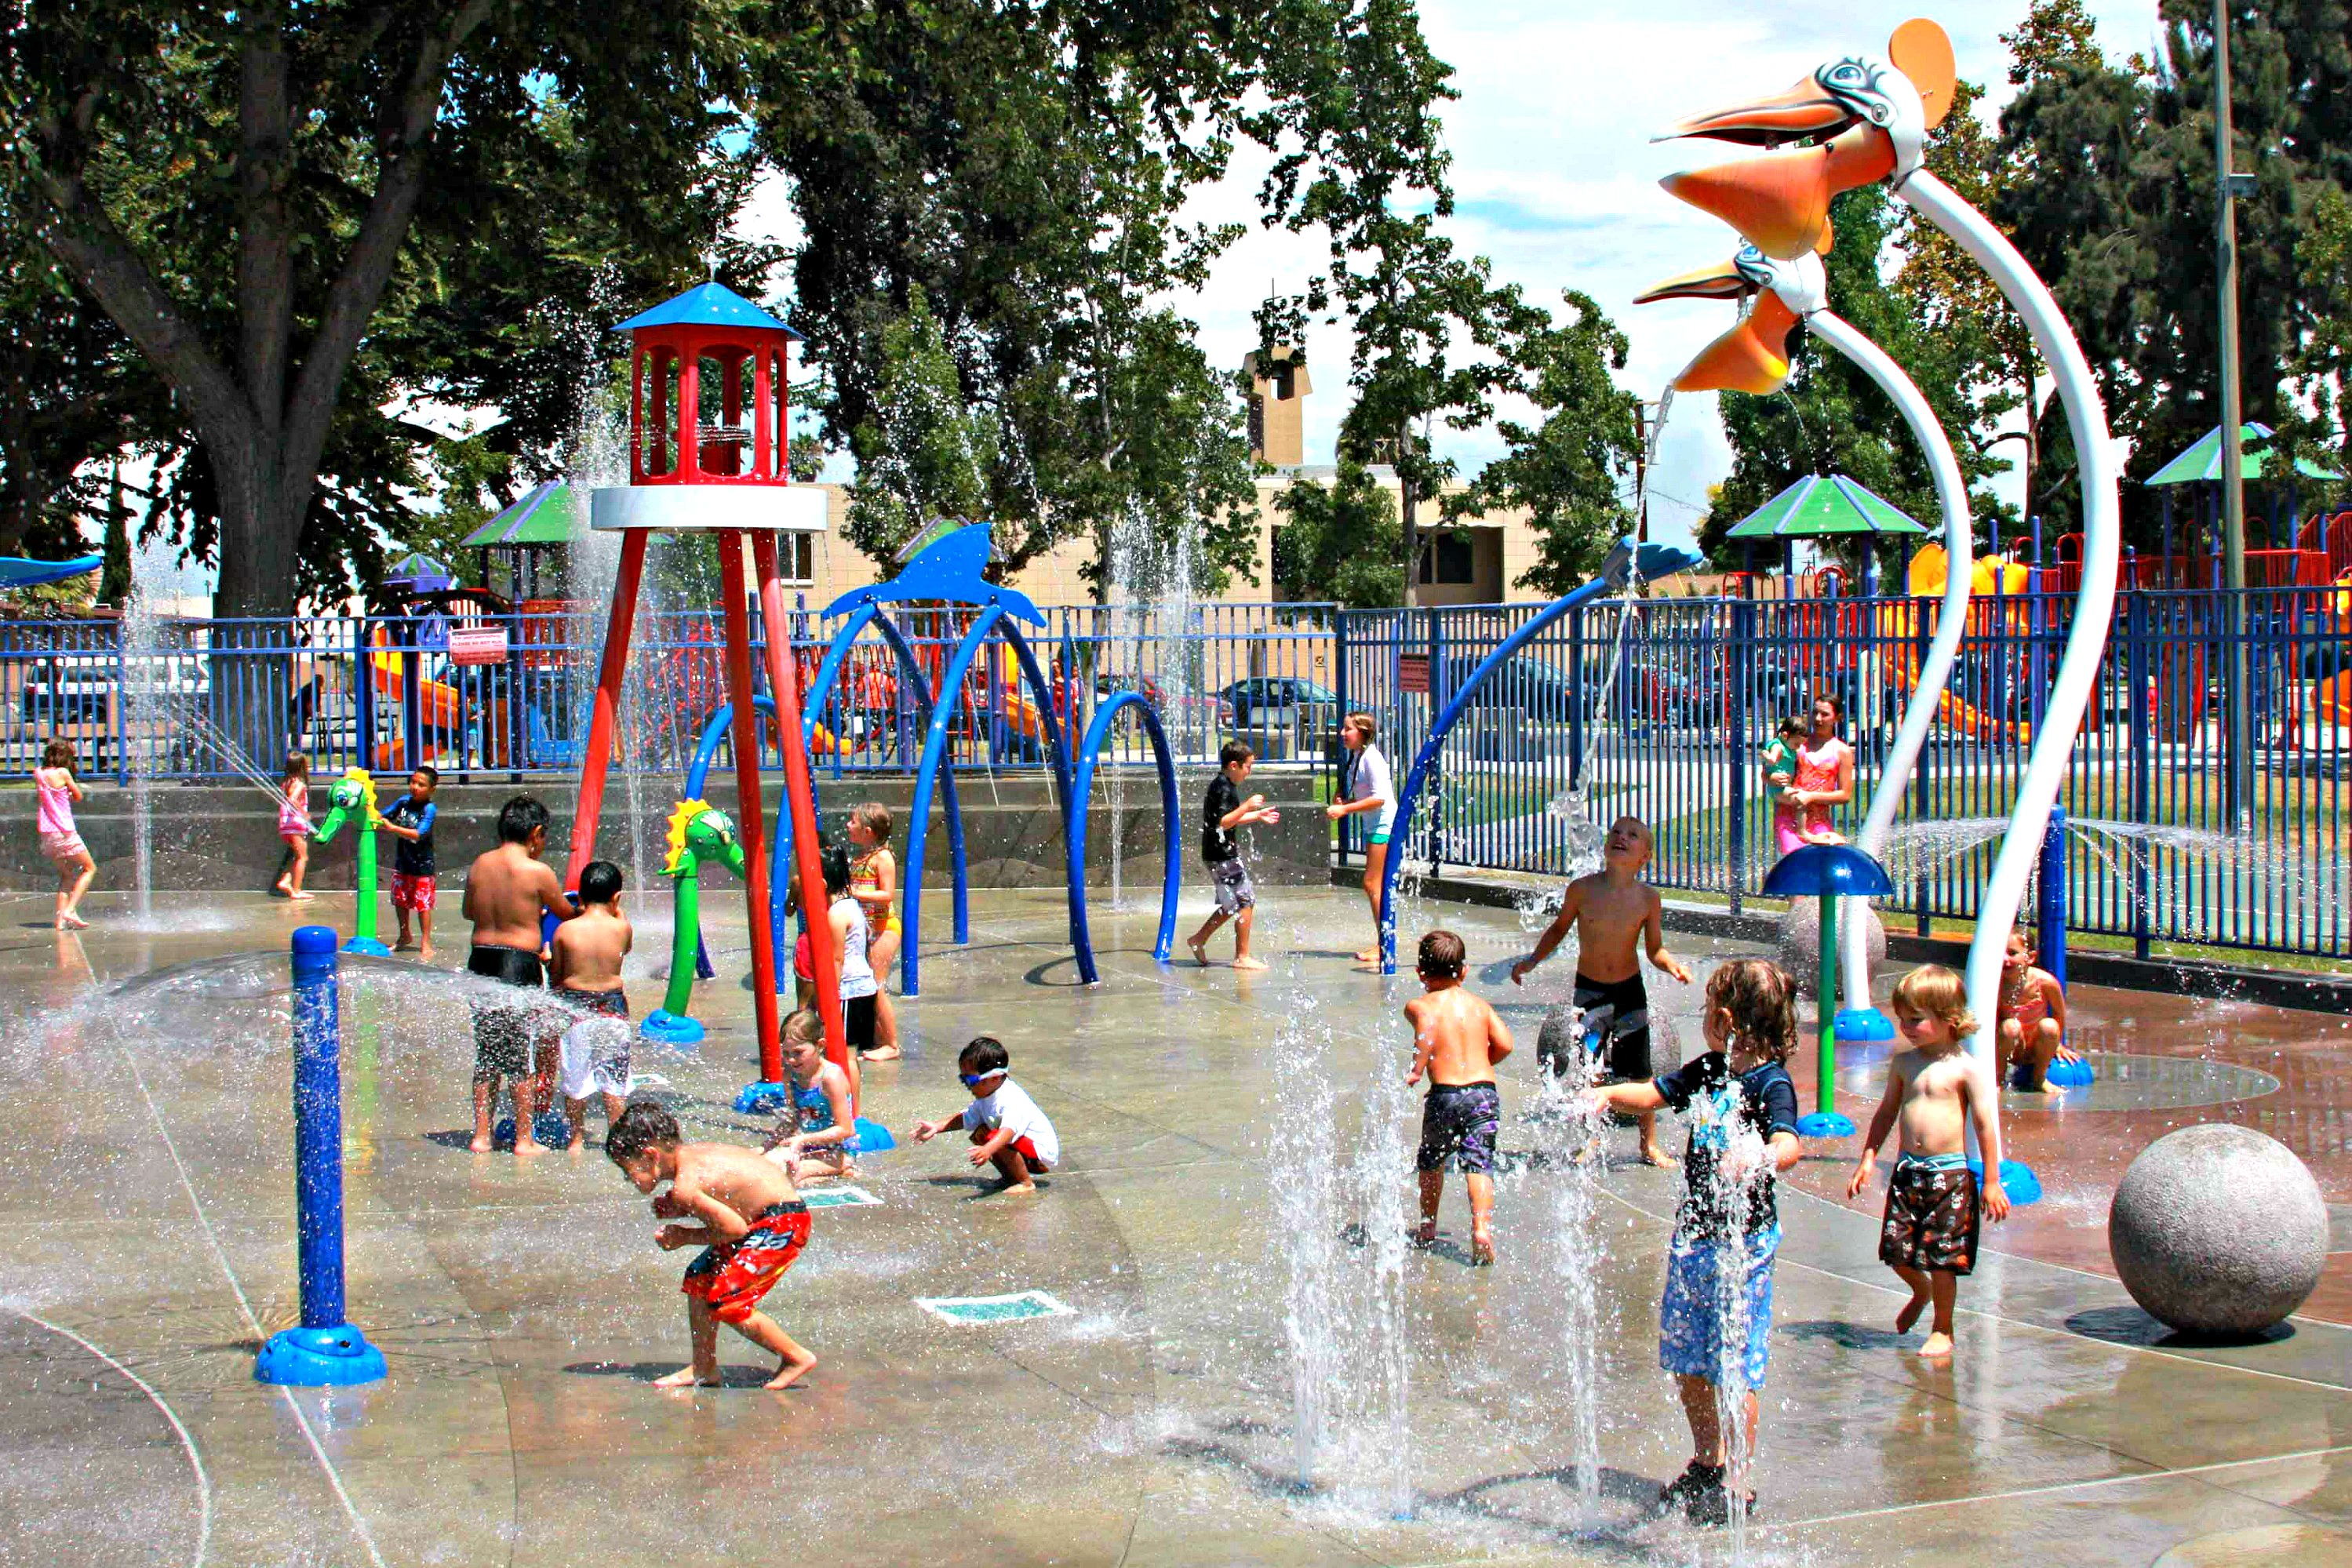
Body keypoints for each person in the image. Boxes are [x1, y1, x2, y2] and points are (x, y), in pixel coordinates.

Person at [1582, 959, 1803, 1527]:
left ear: (1725, 1019)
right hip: (1696, 1238)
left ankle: (1739, 1480)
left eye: (1707, 1010)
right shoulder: (1707, 1069)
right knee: (1687, 1356)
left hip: (1744, 1245)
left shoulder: (1771, 1081)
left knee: (1734, 1364)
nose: (1703, 1018)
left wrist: (1759, 1156)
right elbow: (1655, 1092)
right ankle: (1708, 1459)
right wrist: (1607, 1096)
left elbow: (1788, 1143)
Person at [1845, 964, 2012, 1359]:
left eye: (1916, 1019)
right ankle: (1918, 1291)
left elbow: (1986, 1126)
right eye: (1903, 1019)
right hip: (1908, 1172)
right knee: (1895, 1249)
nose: (1906, 1027)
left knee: (1943, 1257)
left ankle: (1943, 1328)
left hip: (1949, 1176)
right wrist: (1868, 1158)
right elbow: (1886, 1113)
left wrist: (1991, 1180)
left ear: (1949, 1019)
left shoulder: (1966, 1069)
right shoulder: (1904, 1064)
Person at [1511, 815, 1693, 1166]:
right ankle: (1591, 1139)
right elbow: (1558, 929)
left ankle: (1649, 1144)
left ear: (1646, 856)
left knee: (1641, 1071)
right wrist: (1532, 961)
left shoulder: (1648, 899)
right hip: (1590, 994)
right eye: (1616, 832)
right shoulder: (1582, 889)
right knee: (1590, 1068)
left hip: (1629, 992)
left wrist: (1672, 965)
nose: (1621, 837)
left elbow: (1655, 949)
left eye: (1633, 835)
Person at [606, 1101, 817, 1391]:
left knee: (727, 1299)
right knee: (699, 1278)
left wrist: (684, 1236)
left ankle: (796, 1357)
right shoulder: (691, 1157)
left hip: (784, 1224)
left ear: (650, 1155)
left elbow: (733, 1229)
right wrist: (684, 1210)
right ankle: (704, 1368)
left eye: (627, 1170)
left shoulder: (685, 1187)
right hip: (768, 1217)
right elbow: (735, 1195)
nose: (627, 1179)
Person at [461, 795, 575, 1155]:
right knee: (519, 1055)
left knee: (488, 1053)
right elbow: (566, 912)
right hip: (517, 964)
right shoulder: (538, 872)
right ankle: (524, 1140)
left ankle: (481, 1136)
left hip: (481, 960)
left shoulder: (480, 864)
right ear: (536, 833)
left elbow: (468, 911)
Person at [1404, 930, 1513, 1264]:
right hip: (1484, 1093)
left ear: (1420, 973)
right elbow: (1506, 1045)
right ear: (1464, 971)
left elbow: (1426, 1026)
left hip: (1445, 1095)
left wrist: (1417, 1067)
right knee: (1479, 1162)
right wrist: (1482, 1066)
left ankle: (1428, 1226)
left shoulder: (1420, 1004)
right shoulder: (1479, 1006)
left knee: (1432, 1159)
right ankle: (1481, 1228)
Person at [551, 859, 633, 1151]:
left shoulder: (565, 931)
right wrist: (617, 908)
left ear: (580, 897)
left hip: (577, 1016)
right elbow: (625, 949)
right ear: (616, 898)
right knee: (614, 1081)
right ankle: (617, 1136)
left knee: (576, 1080)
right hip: (614, 1013)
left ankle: (576, 1139)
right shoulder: (622, 928)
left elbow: (558, 975)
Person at [911, 1035, 1060, 1195]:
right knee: (981, 1133)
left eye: (970, 1080)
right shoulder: (986, 1097)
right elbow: (965, 1117)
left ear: (995, 1077)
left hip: (1041, 1152)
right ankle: (1010, 1177)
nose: (967, 1086)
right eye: (963, 1080)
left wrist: (988, 1149)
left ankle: (1025, 1182)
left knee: (994, 1138)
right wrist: (936, 1127)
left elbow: (1008, 1132)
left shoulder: (1011, 1099)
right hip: (1020, 1146)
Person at [1188, 739, 1281, 970]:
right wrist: (1247, 807)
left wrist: (1257, 816)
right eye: (1247, 766)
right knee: (1245, 901)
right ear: (1233, 765)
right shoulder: (1222, 788)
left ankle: (1199, 940)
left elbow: (1230, 821)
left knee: (1233, 904)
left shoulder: (1224, 785)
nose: (1249, 772)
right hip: (1222, 856)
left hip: (1218, 853)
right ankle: (1242, 956)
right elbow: (1222, 823)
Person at [1325, 711, 1397, 966]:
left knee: (1371, 882)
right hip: (1374, 823)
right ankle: (1385, 940)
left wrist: (1345, 809)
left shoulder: (1372, 759)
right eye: (1343, 729)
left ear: (1364, 733)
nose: (1342, 734)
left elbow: (1380, 798)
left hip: (1383, 823)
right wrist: (1346, 802)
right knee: (1375, 884)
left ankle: (1385, 944)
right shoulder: (1358, 756)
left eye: (1348, 729)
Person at [763, 1008, 859, 1182]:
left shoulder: (830, 1078)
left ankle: (839, 1171)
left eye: (798, 1053)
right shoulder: (790, 1075)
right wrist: (766, 1147)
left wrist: (802, 1140)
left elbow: (847, 1129)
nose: (791, 1060)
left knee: (786, 1178)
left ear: (820, 1045)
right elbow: (794, 1119)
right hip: (807, 1146)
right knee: (761, 1166)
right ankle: (832, 1175)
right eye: (786, 1053)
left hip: (838, 1151)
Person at [844, 802, 902, 1060]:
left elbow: (888, 894)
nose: (847, 825)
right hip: (867, 932)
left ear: (867, 830)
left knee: (875, 986)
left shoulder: (883, 858)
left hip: (884, 929)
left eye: (852, 821)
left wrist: (855, 893)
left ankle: (891, 1044)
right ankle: (878, 1038)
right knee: (865, 986)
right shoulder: (859, 857)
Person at [1997, 926, 2077, 1093]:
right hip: (2012, 1045)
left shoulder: (2045, 982)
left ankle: (2039, 1079)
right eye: (2001, 952)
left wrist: (2058, 1044)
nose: (2005, 959)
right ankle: (1999, 1079)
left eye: (2012, 953)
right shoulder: (1996, 984)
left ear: (2030, 957)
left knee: (2049, 1026)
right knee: (2010, 1026)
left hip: (2036, 1047)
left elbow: (2059, 1013)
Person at [380, 765, 439, 957]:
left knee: (423, 905)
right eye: (413, 782)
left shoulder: (429, 809)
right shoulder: (403, 802)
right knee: (400, 900)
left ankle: (426, 941)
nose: (415, 787)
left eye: (421, 784)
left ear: (432, 789)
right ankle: (404, 935)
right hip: (403, 862)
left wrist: (393, 829)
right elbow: (384, 815)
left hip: (423, 866)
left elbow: (419, 833)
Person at [34, 740, 94, 930]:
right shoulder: (63, 773)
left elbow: (45, 795)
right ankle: (70, 910)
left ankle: (60, 921)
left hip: (47, 832)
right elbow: (78, 796)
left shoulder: (38, 772)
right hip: (64, 831)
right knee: (89, 868)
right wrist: (68, 792)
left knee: (66, 875)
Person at [1782, 694, 1855, 849]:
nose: (1818, 719)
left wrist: (1812, 796)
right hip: (1791, 817)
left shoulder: (1842, 752)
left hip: (1819, 819)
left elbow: (1845, 794)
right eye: (1815, 712)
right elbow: (1771, 773)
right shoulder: (1798, 745)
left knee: (1822, 860)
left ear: (1838, 718)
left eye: (1825, 714)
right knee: (1795, 858)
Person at [1762, 715, 1819, 854]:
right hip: (1778, 788)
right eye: (1797, 744)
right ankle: (1802, 831)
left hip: (1784, 787)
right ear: (1785, 735)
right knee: (1801, 800)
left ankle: (1800, 828)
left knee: (1801, 799)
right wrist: (1767, 757)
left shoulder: (1790, 747)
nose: (1798, 748)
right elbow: (1772, 759)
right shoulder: (1778, 746)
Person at [273, 751, 314, 900]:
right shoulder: (300, 783)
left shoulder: (286, 783)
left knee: (297, 856)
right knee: (303, 857)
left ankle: (286, 881)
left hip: (285, 825)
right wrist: (305, 813)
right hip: (295, 825)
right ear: (302, 766)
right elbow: (293, 799)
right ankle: (296, 891)